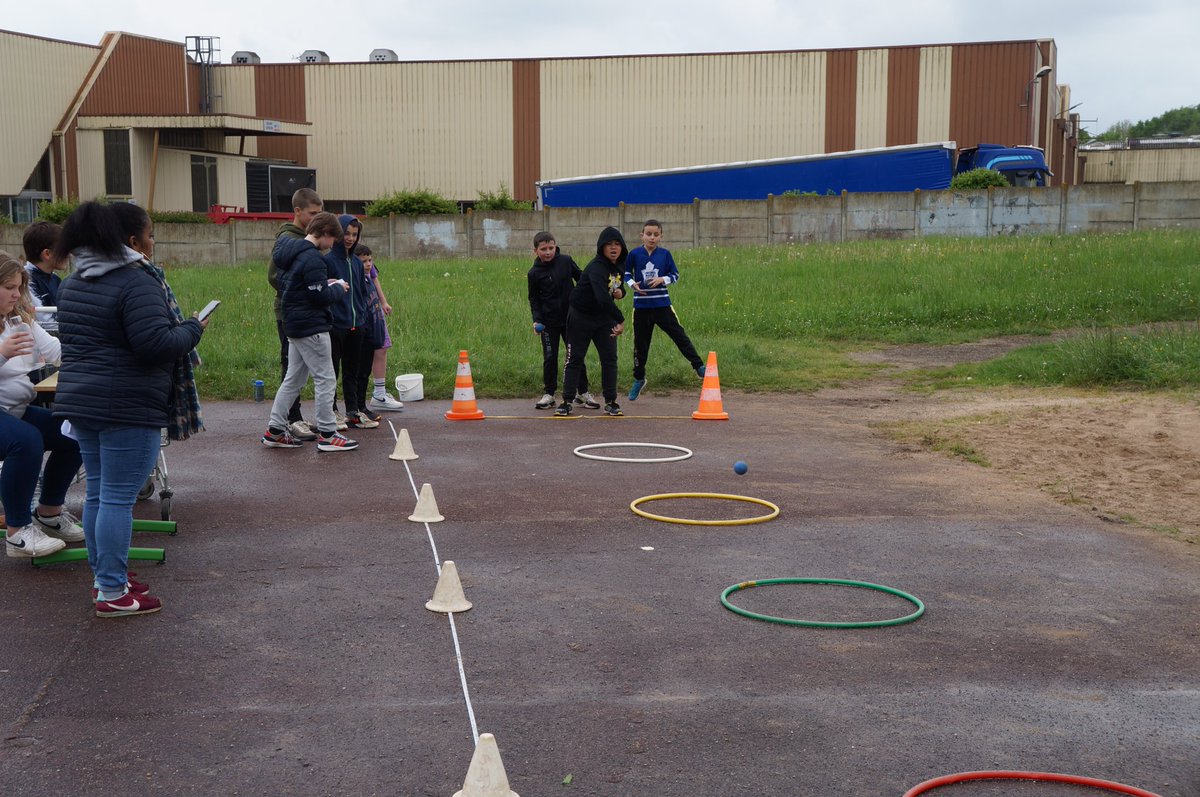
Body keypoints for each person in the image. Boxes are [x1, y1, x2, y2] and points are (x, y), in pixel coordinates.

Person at [53, 201, 207, 617]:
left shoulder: (73, 282)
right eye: (151, 233)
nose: (153, 241)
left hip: (82, 402)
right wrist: (193, 328)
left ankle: (107, 578)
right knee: (117, 498)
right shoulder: (136, 282)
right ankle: (112, 592)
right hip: (127, 403)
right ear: (133, 240)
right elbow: (155, 345)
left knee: (100, 495)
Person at [0, 253, 84, 559]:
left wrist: (98, 345)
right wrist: (2, 353)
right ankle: (17, 532)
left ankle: (48, 514)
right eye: (8, 287)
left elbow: (56, 350)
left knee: (73, 431)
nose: (16, 294)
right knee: (25, 440)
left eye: (19, 287)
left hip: (15, 410)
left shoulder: (19, 320)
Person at [263, 211, 358, 453]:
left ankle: (275, 430)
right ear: (325, 234)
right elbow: (318, 296)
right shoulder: (314, 259)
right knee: (326, 378)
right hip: (311, 326)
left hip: (293, 323)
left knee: (293, 379)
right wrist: (339, 289)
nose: (332, 245)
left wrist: (328, 284)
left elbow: (301, 287)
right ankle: (328, 433)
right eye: (333, 239)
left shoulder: (293, 253)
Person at [624, 219, 705, 401]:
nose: (652, 238)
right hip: (642, 308)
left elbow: (675, 275)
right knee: (640, 347)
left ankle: (699, 367)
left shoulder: (665, 255)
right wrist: (632, 285)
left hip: (662, 306)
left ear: (661, 236)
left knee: (680, 336)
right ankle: (639, 378)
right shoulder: (634, 254)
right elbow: (626, 273)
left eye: (656, 234)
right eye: (648, 234)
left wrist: (663, 280)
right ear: (642, 235)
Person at [269, 188, 323, 440]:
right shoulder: (288, 239)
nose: (316, 218)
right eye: (312, 213)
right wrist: (301, 291)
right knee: (291, 367)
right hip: (289, 312)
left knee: (299, 370)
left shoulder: (307, 237)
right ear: (297, 211)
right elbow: (273, 276)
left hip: (305, 312)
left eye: (320, 213)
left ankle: (291, 419)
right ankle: (290, 420)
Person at [556, 227, 627, 417]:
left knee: (610, 358)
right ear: (601, 248)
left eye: (617, 244)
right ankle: (566, 401)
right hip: (581, 316)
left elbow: (617, 286)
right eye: (609, 245)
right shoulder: (597, 267)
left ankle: (611, 402)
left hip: (604, 318)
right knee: (575, 358)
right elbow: (603, 297)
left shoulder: (620, 264)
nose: (613, 248)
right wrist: (620, 319)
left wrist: (622, 293)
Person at [527, 231, 596, 410]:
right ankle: (549, 394)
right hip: (548, 323)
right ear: (536, 251)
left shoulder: (566, 261)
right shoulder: (534, 273)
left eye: (551, 248)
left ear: (556, 247)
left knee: (575, 355)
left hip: (571, 319)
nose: (548, 252)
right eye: (544, 249)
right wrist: (537, 321)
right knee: (550, 356)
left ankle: (582, 392)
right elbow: (534, 299)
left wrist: (594, 290)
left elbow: (581, 278)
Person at [324, 215, 378, 429]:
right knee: (331, 371)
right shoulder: (327, 261)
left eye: (354, 235)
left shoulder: (357, 262)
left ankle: (353, 411)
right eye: (346, 233)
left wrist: (363, 316)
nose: (350, 238)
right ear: (338, 232)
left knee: (352, 370)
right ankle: (332, 411)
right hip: (336, 325)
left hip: (358, 325)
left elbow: (363, 292)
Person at [358, 245, 404, 412]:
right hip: (364, 318)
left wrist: (383, 302)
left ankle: (379, 393)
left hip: (376, 314)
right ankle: (361, 400)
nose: (368, 264)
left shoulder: (370, 270)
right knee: (364, 356)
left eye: (370, 260)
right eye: (364, 262)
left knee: (382, 349)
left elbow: (375, 279)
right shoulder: (352, 270)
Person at [22, 221, 66, 333]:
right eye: (63, 249)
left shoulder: (55, 278)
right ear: (47, 254)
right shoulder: (25, 280)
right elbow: (46, 323)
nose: (68, 254)